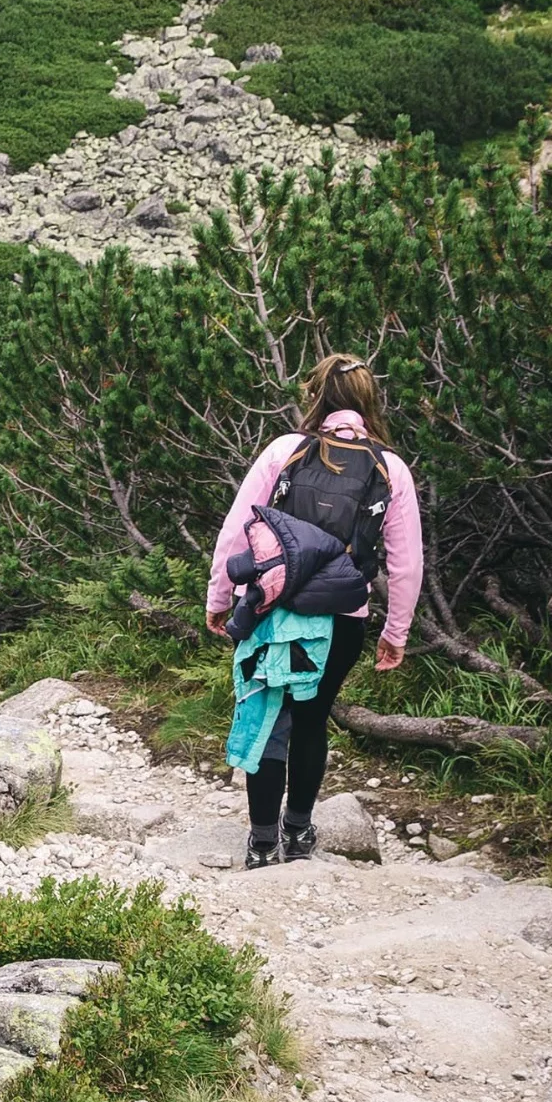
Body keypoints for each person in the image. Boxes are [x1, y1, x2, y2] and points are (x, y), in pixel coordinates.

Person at [206, 353, 424, 868]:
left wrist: (221, 597)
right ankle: (299, 831)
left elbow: (238, 528)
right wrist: (396, 632)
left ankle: (262, 842)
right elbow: (406, 563)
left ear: (317, 397)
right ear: (370, 402)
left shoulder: (286, 449)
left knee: (266, 713)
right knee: (312, 717)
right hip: (342, 616)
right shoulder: (390, 467)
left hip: (267, 606)